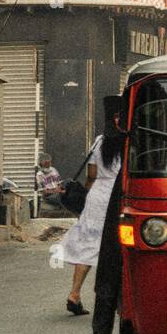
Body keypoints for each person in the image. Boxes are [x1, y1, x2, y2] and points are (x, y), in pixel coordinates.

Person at [60, 98, 124, 317]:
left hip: (97, 196)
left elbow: (91, 175)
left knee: (88, 244)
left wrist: (87, 195)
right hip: (119, 196)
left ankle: (74, 294)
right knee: (119, 247)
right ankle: (117, 300)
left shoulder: (99, 141)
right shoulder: (130, 141)